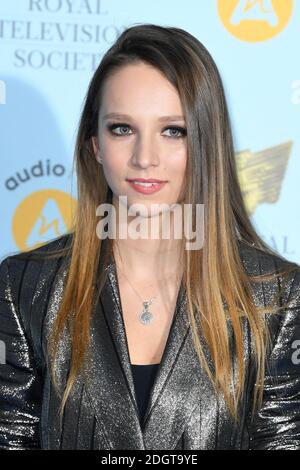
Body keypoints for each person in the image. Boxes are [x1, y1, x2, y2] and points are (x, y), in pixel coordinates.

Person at [0, 23, 300, 450]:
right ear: (95, 144)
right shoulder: (23, 285)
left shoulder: (277, 296)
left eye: (172, 131)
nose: (145, 158)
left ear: (206, 142)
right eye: (122, 128)